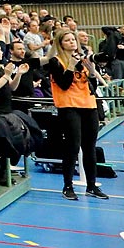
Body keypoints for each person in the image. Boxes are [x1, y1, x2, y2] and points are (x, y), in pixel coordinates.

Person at [48, 29, 108, 201]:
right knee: (73, 146)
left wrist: (92, 69)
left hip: (88, 105)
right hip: (68, 106)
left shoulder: (83, 60)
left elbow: (93, 87)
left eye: (73, 39)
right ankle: (68, 186)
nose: (72, 42)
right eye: (67, 40)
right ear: (60, 44)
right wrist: (72, 66)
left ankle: (91, 185)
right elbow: (64, 84)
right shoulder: (55, 62)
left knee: (90, 148)